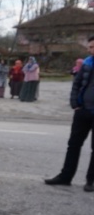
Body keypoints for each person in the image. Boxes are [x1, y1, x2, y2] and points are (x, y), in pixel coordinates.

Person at [45, 35, 94, 192]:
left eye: (92, 47)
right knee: (73, 145)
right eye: (89, 47)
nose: (89, 50)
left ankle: (90, 181)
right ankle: (65, 177)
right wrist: (75, 104)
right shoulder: (87, 64)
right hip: (82, 111)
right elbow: (77, 84)